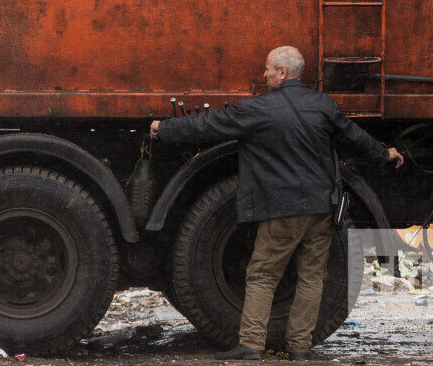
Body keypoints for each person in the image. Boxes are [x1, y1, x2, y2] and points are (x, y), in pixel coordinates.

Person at [150, 46, 404, 361]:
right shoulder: (323, 105)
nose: (265, 74)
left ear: (283, 72)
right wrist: (386, 153)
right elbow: (357, 138)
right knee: (312, 277)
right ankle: (299, 348)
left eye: (269, 68)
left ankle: (252, 345)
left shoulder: (260, 109)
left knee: (262, 273)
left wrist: (165, 128)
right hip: (322, 208)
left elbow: (208, 125)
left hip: (284, 209)